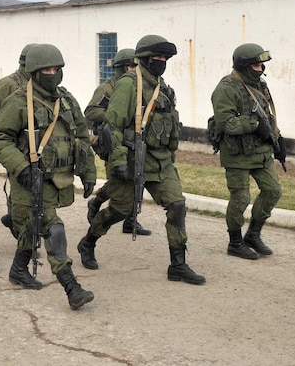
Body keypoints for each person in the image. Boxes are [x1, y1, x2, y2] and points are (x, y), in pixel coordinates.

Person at [78, 35, 205, 285]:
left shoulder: (162, 86)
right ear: (145, 59)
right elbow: (113, 127)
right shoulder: (128, 85)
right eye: (158, 58)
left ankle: (178, 265)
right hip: (132, 157)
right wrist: (118, 162)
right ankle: (88, 241)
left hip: (160, 161)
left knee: (177, 206)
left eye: (165, 59)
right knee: (120, 210)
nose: (162, 62)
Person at [0, 44, 97, 309]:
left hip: (58, 178)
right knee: (53, 228)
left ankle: (17, 268)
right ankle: (72, 287)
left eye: (56, 69)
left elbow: (81, 137)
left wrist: (88, 171)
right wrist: (22, 168)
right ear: (35, 72)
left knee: (31, 226)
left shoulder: (67, 100)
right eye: (47, 69)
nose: (53, 73)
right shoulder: (18, 101)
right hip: (30, 179)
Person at [210, 43, 285, 260]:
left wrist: (278, 140)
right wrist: (253, 124)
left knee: (273, 191)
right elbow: (225, 123)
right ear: (243, 66)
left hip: (261, 151)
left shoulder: (260, 85)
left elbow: (268, 115)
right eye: (255, 65)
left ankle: (253, 234)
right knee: (241, 198)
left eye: (262, 65)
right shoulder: (226, 88)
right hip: (237, 154)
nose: (261, 69)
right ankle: (235, 242)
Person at [84, 48, 151, 236]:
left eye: (136, 66)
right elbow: (90, 111)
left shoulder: (139, 87)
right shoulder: (108, 88)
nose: (133, 69)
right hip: (111, 141)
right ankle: (97, 202)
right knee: (118, 182)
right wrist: (117, 114)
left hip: (134, 141)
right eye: (130, 66)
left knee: (138, 178)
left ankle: (130, 222)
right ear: (120, 67)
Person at [0, 43, 36, 237]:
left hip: (35, 145)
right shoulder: (9, 84)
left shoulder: (39, 84)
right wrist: (13, 127)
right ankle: (20, 228)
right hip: (14, 145)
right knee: (21, 182)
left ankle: (14, 218)